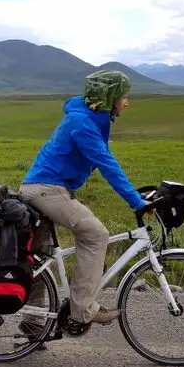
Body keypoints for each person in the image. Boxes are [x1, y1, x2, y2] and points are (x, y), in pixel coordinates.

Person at [18, 69, 149, 337]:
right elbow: (107, 164)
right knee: (95, 235)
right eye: (124, 96)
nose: (127, 102)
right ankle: (82, 311)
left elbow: (105, 159)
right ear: (110, 97)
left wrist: (138, 194)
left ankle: (32, 323)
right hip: (48, 190)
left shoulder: (89, 119)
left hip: (43, 188)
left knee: (39, 256)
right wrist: (136, 201)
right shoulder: (83, 124)